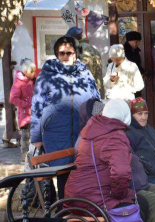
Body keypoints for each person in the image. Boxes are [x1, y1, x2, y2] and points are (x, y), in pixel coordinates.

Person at [77, 98, 155, 222]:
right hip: (102, 193)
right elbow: (120, 173)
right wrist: (122, 195)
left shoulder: (107, 130)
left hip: (111, 187)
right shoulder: (111, 135)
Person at [65, 99, 149, 222]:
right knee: (137, 217)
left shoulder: (93, 128)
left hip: (75, 197)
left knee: (142, 202)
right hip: (94, 200)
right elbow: (121, 172)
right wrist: (120, 195)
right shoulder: (115, 135)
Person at [30, 36, 100, 199]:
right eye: (62, 53)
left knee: (84, 171)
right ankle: (65, 211)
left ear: (76, 54)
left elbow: (96, 100)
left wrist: (99, 127)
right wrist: (36, 136)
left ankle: (83, 209)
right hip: (56, 133)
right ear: (56, 54)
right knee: (63, 173)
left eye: (69, 52)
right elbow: (36, 106)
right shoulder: (47, 76)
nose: (66, 56)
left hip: (83, 131)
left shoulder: (86, 74)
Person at [66, 27, 105, 98]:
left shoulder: (80, 51)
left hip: (86, 95)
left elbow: (84, 76)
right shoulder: (93, 49)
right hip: (96, 93)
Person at [10, 58, 36, 161]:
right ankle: (25, 159)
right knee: (26, 137)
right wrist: (26, 104)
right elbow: (13, 98)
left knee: (35, 137)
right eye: (32, 71)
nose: (34, 73)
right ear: (25, 72)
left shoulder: (34, 80)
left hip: (35, 114)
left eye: (34, 71)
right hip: (25, 115)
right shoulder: (19, 82)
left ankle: (34, 158)